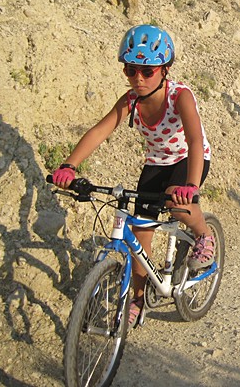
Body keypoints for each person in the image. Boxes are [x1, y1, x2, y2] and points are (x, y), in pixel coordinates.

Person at [51, 24, 214, 326]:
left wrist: (191, 185)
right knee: (140, 236)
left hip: (189, 158)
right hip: (156, 162)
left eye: (147, 71)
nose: (138, 78)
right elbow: (101, 130)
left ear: (164, 69)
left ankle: (204, 234)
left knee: (177, 204)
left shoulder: (181, 96)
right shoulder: (130, 100)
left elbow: (193, 140)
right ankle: (137, 300)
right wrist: (69, 166)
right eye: (131, 70)